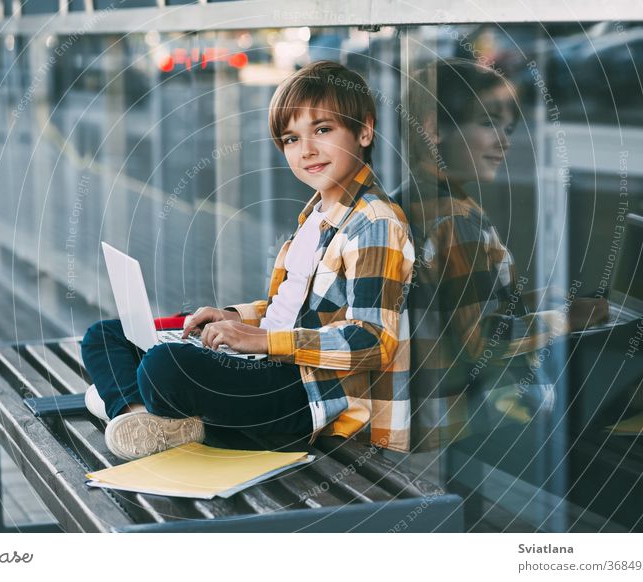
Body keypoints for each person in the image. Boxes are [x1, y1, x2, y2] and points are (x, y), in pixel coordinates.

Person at [81, 61, 414, 461]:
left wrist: (260, 340)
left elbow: (373, 339)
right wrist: (234, 317)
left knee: (164, 366)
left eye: (322, 130)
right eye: (291, 139)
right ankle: (140, 419)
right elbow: (294, 311)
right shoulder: (315, 216)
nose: (306, 150)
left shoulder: (374, 221)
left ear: (364, 130)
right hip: (266, 361)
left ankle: (145, 409)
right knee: (105, 336)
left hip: (303, 392)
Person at [403, 59, 608, 451]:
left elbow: (456, 312)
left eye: (508, 127)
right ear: (433, 128)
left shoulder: (414, 199)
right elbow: (482, 343)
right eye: (487, 123)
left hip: (424, 418)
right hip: (459, 434)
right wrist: (569, 317)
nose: (504, 140)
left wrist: (545, 302)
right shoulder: (455, 222)